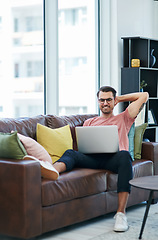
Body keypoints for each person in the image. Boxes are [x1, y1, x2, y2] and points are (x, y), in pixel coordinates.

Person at [25, 86, 149, 232]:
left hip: (114, 160)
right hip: (92, 159)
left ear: (114, 101)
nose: (105, 103)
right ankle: (50, 169)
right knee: (71, 153)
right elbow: (84, 146)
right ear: (98, 101)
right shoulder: (89, 122)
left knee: (125, 155)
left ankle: (121, 214)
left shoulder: (124, 117)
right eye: (101, 100)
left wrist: (119, 99)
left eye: (109, 100)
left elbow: (144, 96)